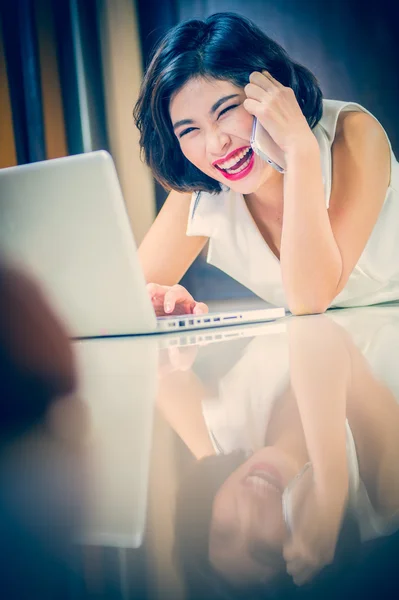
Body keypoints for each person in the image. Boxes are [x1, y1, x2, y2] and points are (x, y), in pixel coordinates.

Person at [134, 12, 398, 316]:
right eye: (190, 130)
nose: (216, 144)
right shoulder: (204, 183)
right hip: (320, 343)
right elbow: (129, 300)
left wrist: (299, 149)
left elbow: (310, 299)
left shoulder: (354, 134)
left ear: (271, 90)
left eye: (226, 110)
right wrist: (161, 305)